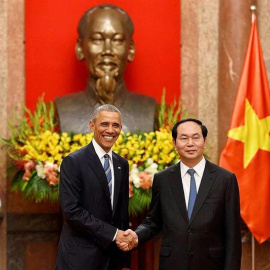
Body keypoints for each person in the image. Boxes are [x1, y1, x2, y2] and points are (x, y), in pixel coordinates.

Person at [118, 118, 242, 269]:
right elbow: (154, 221)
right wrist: (137, 236)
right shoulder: (162, 179)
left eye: (195, 137)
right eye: (184, 138)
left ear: (204, 140)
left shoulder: (225, 179)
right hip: (172, 264)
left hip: (211, 264)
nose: (190, 143)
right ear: (174, 143)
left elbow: (233, 235)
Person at [54, 4, 156, 134]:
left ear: (130, 49)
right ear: (80, 48)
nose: (107, 51)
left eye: (117, 40)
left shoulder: (149, 109)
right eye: (97, 39)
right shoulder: (62, 110)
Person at [55, 104, 135, 270]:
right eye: (104, 124)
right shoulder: (74, 162)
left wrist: (125, 262)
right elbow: (72, 212)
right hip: (80, 259)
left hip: (112, 260)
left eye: (116, 125)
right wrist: (113, 234)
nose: (110, 130)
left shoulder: (122, 164)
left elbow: (121, 216)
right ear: (92, 125)